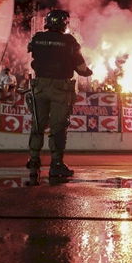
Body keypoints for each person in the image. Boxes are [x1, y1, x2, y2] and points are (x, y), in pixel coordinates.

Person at [27, 9, 93, 178]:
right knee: (58, 127)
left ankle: (33, 159)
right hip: (60, 89)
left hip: (39, 86)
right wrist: (87, 72)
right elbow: (80, 67)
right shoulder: (69, 41)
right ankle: (56, 164)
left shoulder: (38, 38)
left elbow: (34, 59)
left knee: (37, 125)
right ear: (64, 23)